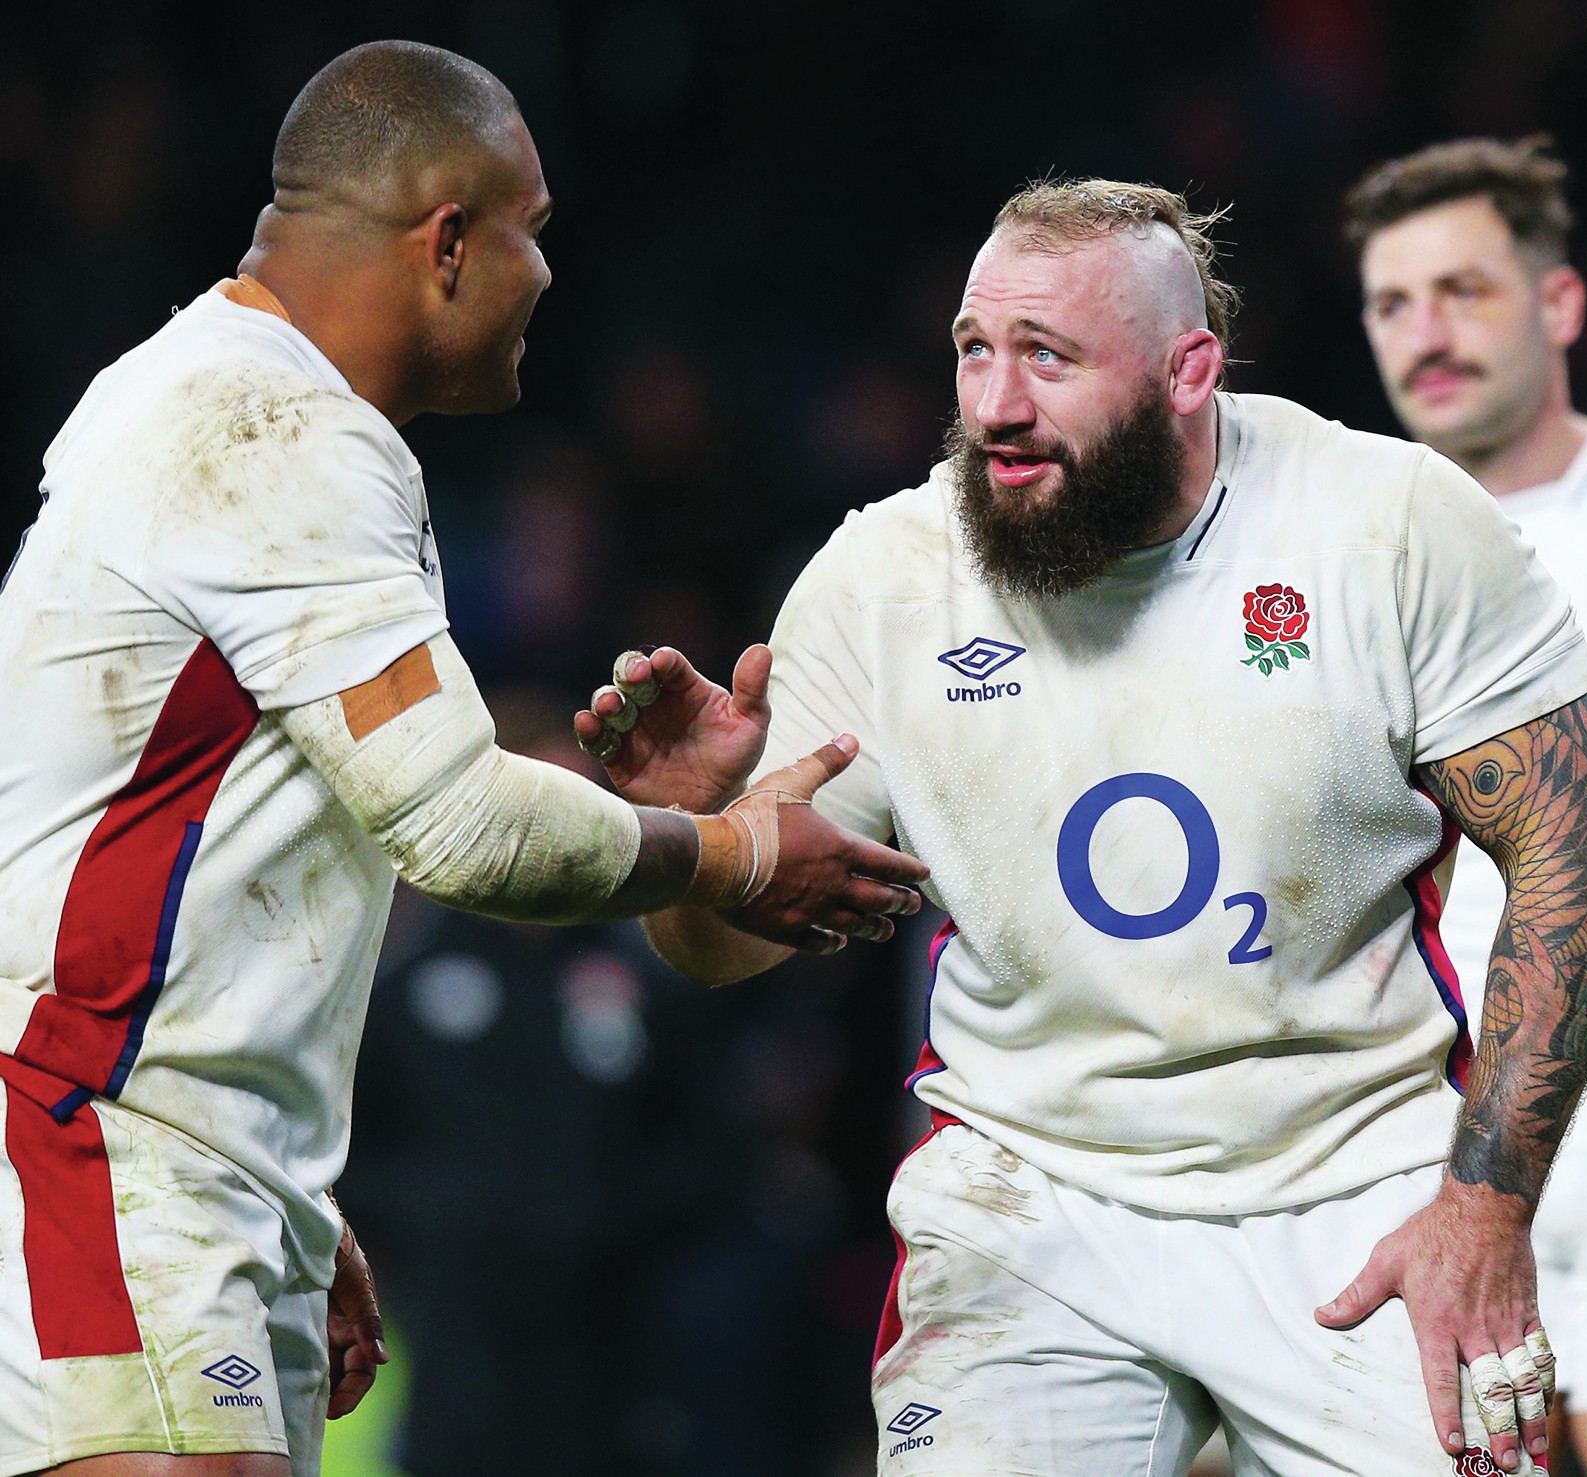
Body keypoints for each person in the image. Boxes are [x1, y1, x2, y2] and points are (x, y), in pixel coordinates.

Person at [575, 176, 1587, 1476]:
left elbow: (1583, 858)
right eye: (975, 348)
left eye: (1048, 356)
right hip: (1034, 1195)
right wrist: (696, 843)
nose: (995, 404)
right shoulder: (884, 580)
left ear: (1189, 371)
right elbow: (723, 950)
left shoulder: (1388, 525)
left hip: (1356, 1179)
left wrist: (1485, 1206)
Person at [0, 40, 928, 1477]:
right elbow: (463, 825)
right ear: (446, 242)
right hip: (104, 1144)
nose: (547, 276)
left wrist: (288, 1181)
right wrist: (731, 852)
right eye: (531, 233)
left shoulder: (216, 402)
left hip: (177, 1155)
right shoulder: (275, 435)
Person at [1347, 134, 1587, 1477]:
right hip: (1431, 1148)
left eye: (1464, 290)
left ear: (1561, 301)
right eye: (1392, 303)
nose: (1427, 332)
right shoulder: (1339, 560)